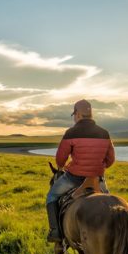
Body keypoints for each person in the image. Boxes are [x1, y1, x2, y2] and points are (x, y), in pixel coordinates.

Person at [46, 99, 115, 242]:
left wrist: (66, 165)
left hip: (73, 179)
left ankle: (56, 232)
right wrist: (98, 168)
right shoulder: (104, 133)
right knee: (112, 205)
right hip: (97, 179)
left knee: (51, 197)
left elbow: (60, 160)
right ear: (90, 114)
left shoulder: (71, 133)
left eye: (74, 115)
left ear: (77, 114)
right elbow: (111, 160)